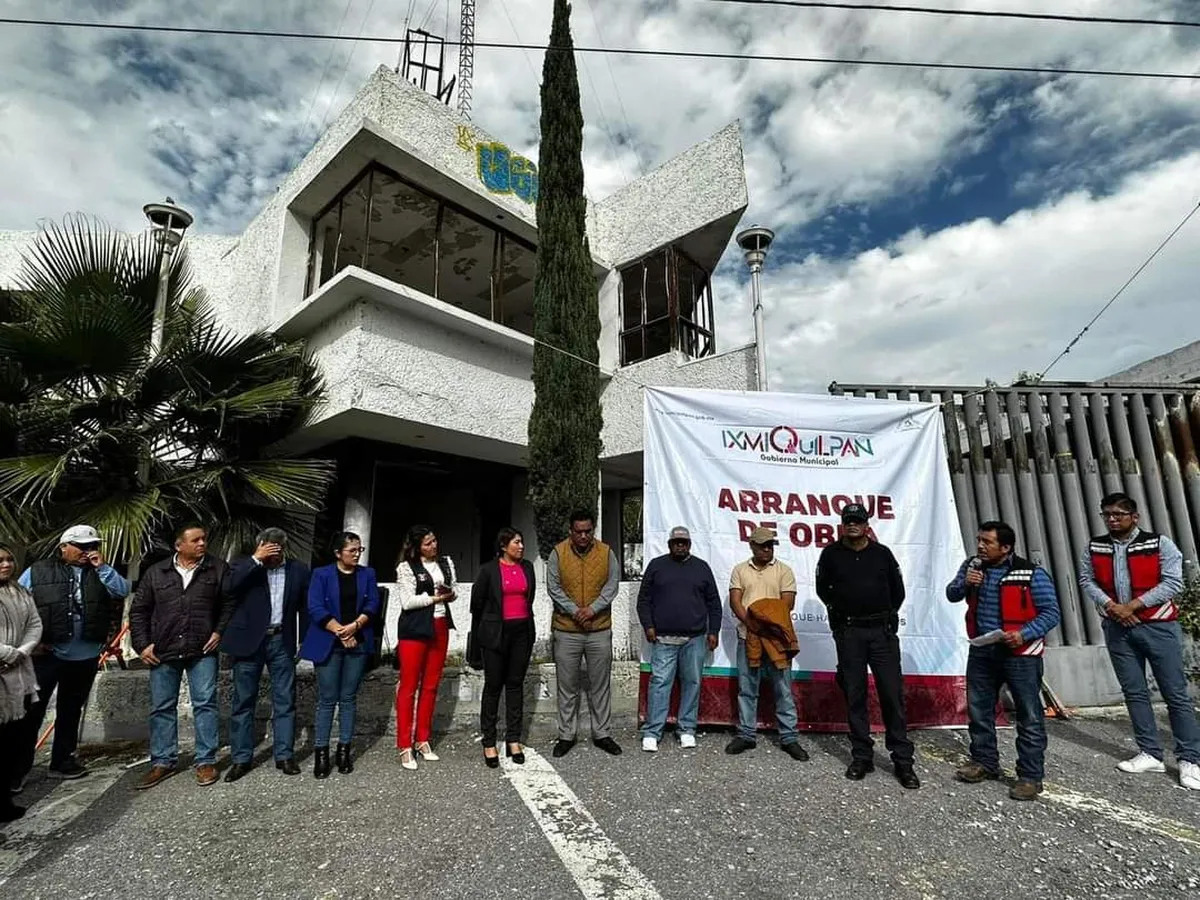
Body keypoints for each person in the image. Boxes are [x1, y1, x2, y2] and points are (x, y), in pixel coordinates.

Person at [1078, 492, 1200, 791]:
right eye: (1106, 514)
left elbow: (1173, 582)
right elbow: (1086, 580)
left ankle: (1190, 759)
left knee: (1176, 694)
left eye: (1119, 514)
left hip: (1158, 627)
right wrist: (1112, 606)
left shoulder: (1159, 543)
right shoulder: (1095, 546)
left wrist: (1133, 606)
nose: (1112, 519)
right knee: (1134, 691)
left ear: (1135, 517)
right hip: (1118, 627)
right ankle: (1150, 753)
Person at [946, 520, 1061, 801]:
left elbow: (1051, 613)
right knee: (979, 709)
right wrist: (965, 582)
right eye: (979, 541)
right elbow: (951, 594)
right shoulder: (973, 567)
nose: (981, 547)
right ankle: (985, 762)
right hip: (983, 650)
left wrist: (1024, 634)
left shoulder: (1031, 573)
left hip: (1020, 654)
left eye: (988, 542)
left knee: (1029, 715)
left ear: (1006, 547)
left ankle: (1030, 776)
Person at [815, 503, 918, 788]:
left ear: (866, 525)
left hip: (881, 633)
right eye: (848, 521)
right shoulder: (831, 554)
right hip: (850, 632)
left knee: (891, 695)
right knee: (854, 695)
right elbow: (823, 589)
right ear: (842, 524)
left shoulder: (882, 554)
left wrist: (881, 615)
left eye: (857, 521)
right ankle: (862, 756)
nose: (852, 525)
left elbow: (897, 592)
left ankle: (902, 761)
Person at [15, 525, 128, 784]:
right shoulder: (37, 571)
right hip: (47, 655)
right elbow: (17, 607)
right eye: (81, 546)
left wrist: (102, 568)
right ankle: (17, 770)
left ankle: (62, 761)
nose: (87, 551)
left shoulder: (101, 572)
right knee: (32, 711)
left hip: (85, 654)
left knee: (71, 710)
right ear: (64, 547)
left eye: (92, 546)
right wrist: (29, 644)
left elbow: (122, 590)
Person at [130, 523, 232, 790]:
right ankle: (163, 761)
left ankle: (206, 760)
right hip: (164, 650)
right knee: (162, 707)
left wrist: (219, 632)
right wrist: (141, 645)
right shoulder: (156, 572)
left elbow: (229, 604)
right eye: (196, 540)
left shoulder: (217, 568)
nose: (202, 544)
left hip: (202, 649)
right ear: (179, 545)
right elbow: (139, 610)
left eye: (204, 539)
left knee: (205, 703)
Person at [220, 527, 311, 782]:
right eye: (268, 549)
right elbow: (229, 587)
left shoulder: (298, 570)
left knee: (285, 699)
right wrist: (256, 560)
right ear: (260, 545)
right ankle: (241, 758)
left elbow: (305, 608)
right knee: (243, 701)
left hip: (281, 640)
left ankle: (284, 755)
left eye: (277, 550)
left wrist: (303, 640)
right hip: (249, 642)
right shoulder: (244, 566)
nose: (273, 555)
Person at [299, 531, 380, 780]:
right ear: (337, 553)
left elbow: (373, 604)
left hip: (357, 640)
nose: (356, 554)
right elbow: (315, 607)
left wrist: (355, 626)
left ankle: (344, 749)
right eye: (351, 550)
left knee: (348, 698)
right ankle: (322, 751)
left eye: (359, 550)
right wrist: (341, 632)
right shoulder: (321, 574)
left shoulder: (367, 574)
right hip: (328, 642)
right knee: (327, 699)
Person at [724, 527, 809, 761]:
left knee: (783, 688)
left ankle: (789, 737)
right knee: (747, 687)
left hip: (776, 639)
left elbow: (787, 604)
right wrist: (752, 624)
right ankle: (746, 734)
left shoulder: (784, 570)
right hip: (747, 636)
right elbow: (735, 601)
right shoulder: (740, 570)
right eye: (762, 545)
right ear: (751, 545)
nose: (767, 549)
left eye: (770, 545)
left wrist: (766, 626)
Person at [636, 526, 721, 753]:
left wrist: (714, 631)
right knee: (660, 684)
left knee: (692, 683)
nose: (680, 546)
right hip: (663, 638)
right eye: (676, 542)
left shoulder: (701, 568)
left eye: (684, 542)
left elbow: (714, 602)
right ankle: (653, 731)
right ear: (669, 544)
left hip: (695, 638)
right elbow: (643, 600)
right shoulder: (657, 566)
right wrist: (648, 626)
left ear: (689, 544)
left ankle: (687, 729)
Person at [547, 509, 622, 758]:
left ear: (593, 530)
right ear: (571, 531)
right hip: (567, 630)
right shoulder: (558, 553)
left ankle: (602, 733)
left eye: (588, 531)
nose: (583, 536)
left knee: (600, 685)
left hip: (599, 629)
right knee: (567, 686)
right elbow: (553, 587)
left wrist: (593, 609)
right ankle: (567, 735)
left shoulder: (606, 553)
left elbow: (612, 584)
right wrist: (575, 611)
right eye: (578, 531)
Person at [471, 527, 537, 768]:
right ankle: (489, 741)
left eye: (521, 542)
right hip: (495, 634)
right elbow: (477, 603)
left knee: (515, 684)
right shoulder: (489, 570)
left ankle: (513, 739)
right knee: (493, 686)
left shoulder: (527, 567)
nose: (521, 546)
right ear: (503, 546)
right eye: (516, 542)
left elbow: (528, 598)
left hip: (521, 632)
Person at [394, 525, 457, 770]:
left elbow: (454, 591)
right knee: (409, 687)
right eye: (428, 543)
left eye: (434, 541)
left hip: (440, 625)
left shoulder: (445, 563)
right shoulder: (406, 568)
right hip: (415, 628)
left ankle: (422, 739)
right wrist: (434, 598)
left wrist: (448, 596)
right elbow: (407, 602)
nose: (434, 546)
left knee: (431, 685)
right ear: (417, 546)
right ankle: (404, 745)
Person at [0, 543, 42, 822]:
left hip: (18, 672)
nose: (5, 564)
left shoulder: (20, 591)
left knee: (10, 744)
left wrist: (21, 652)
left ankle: (4, 801)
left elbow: (35, 625)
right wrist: (6, 652)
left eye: (8, 560)